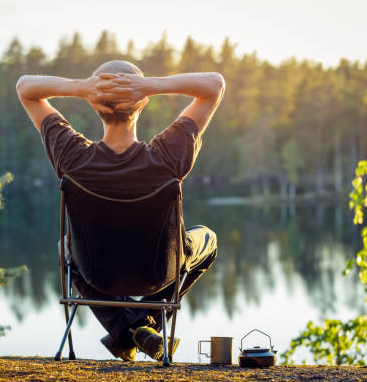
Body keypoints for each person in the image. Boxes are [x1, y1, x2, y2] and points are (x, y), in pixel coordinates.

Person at [16, 60, 224, 362]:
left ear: (95, 106)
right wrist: (150, 86)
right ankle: (142, 322)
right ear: (142, 106)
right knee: (208, 238)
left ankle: (125, 329)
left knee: (65, 247)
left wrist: (81, 87)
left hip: (97, 274)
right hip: (159, 273)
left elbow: (25, 88)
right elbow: (215, 85)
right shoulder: (167, 156)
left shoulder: (72, 157)